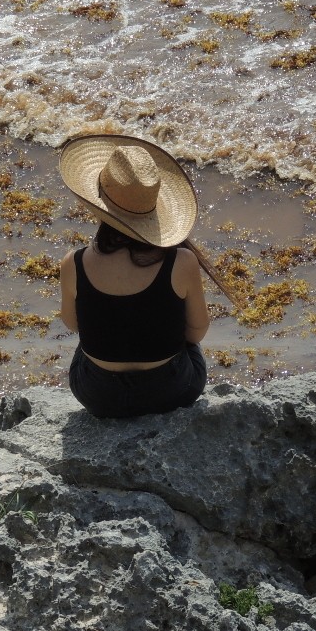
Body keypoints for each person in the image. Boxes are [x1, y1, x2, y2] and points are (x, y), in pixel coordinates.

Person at [57, 134, 211, 418]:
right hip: (171, 391)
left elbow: (72, 323)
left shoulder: (74, 263)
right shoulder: (182, 261)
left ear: (99, 201)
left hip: (98, 393)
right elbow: (196, 331)